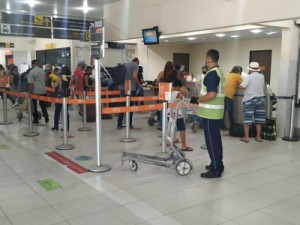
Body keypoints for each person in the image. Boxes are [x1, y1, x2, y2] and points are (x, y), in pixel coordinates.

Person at [190, 49, 225, 178]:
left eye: (206, 58)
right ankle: (217, 164)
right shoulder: (219, 71)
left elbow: (212, 94)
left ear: (208, 58)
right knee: (216, 140)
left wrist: (197, 100)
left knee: (211, 141)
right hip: (216, 113)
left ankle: (215, 170)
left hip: (211, 113)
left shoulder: (211, 74)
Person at [239, 62, 266, 143]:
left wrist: (238, 84)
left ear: (250, 69)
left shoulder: (248, 77)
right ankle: (258, 137)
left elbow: (242, 86)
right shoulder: (262, 76)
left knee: (247, 119)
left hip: (250, 100)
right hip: (260, 100)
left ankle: (246, 137)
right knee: (259, 119)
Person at [169, 79, 193, 151]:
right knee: (182, 128)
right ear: (178, 87)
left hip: (169, 112)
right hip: (177, 113)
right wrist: (184, 92)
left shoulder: (168, 91)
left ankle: (172, 141)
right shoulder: (177, 92)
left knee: (171, 127)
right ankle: (184, 145)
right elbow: (183, 100)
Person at [117, 58, 140, 129]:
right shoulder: (135, 66)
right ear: (137, 62)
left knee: (122, 106)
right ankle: (129, 124)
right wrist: (138, 84)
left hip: (122, 87)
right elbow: (134, 76)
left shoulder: (124, 64)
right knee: (130, 107)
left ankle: (119, 123)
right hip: (130, 88)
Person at [28, 59, 49, 124]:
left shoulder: (31, 72)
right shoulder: (42, 71)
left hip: (35, 91)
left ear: (32, 64)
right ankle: (46, 117)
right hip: (43, 90)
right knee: (43, 105)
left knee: (34, 106)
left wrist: (30, 92)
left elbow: (31, 83)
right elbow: (45, 81)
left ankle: (36, 119)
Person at [223, 66, 243, 134]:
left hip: (223, 95)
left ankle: (221, 126)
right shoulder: (237, 75)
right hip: (229, 95)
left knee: (222, 112)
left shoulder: (228, 74)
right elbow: (243, 84)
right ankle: (232, 128)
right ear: (239, 71)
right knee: (230, 112)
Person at [51, 66, 72, 131]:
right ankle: (66, 127)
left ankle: (56, 126)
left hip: (60, 96)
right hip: (67, 96)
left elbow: (54, 86)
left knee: (57, 111)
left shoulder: (60, 78)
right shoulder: (70, 78)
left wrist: (53, 84)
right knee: (66, 112)